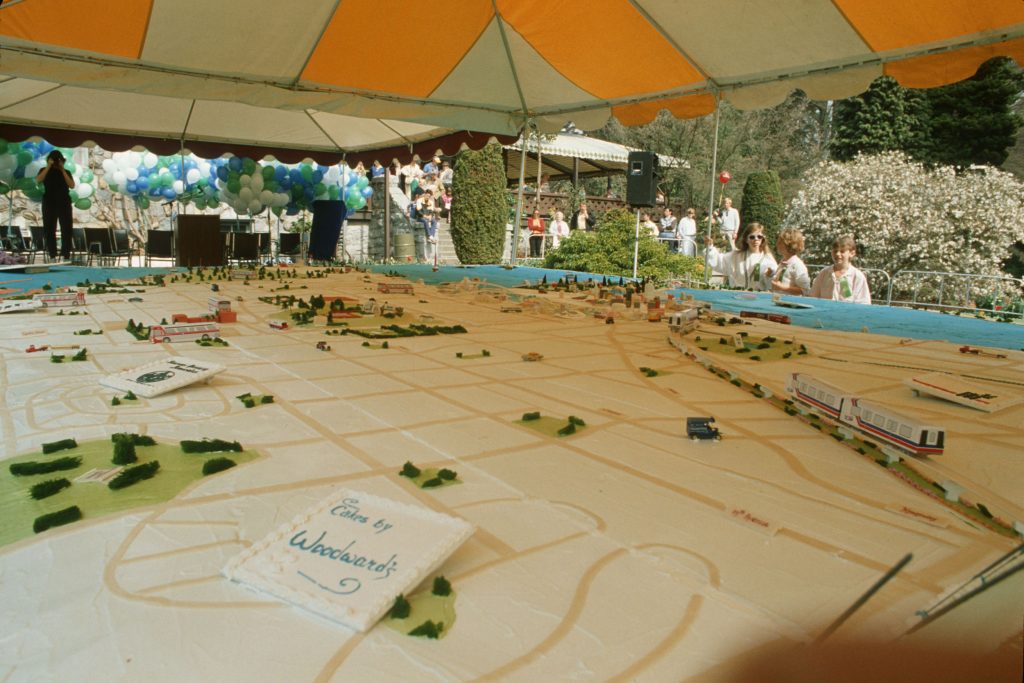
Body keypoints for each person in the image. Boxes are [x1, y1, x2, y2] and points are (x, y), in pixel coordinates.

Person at [704, 222, 778, 290]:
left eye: (759, 237)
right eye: (752, 237)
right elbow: (718, 261)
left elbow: (773, 282)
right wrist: (710, 247)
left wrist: (770, 275)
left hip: (758, 298)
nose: (756, 239)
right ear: (746, 239)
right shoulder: (736, 256)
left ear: (763, 239)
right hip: (736, 296)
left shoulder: (767, 258)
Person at [35, 149, 76, 261]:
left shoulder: (66, 172)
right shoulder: (44, 170)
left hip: (64, 202)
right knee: (49, 228)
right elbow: (38, 180)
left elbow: (72, 185)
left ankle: (65, 255)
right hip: (49, 201)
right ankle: (52, 254)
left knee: (66, 228)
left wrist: (62, 170)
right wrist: (49, 166)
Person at [810, 235, 872, 304]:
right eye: (835, 251)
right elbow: (813, 297)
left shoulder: (857, 276)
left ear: (851, 253)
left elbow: (863, 302)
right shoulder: (824, 273)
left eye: (842, 251)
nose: (837, 254)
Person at [770, 228, 812, 296]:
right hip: (778, 301)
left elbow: (804, 290)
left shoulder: (798, 265)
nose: (777, 244)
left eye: (781, 242)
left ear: (790, 245)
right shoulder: (783, 262)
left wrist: (783, 288)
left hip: (789, 304)